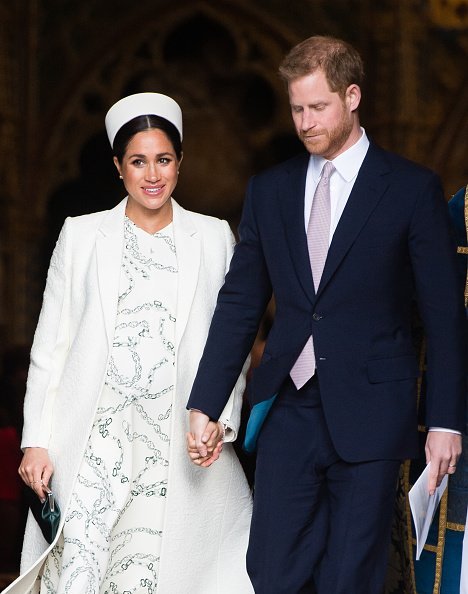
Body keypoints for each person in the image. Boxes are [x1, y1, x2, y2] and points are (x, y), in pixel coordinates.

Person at [187, 36, 467, 594]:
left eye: (319, 107)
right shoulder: (270, 190)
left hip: (373, 412)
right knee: (270, 569)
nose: (306, 122)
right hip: (289, 410)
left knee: (350, 578)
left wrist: (445, 422)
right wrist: (206, 401)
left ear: (352, 96)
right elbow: (240, 303)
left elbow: (443, 317)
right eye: (297, 109)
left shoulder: (411, 189)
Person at [6, 92, 253, 594]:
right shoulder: (81, 235)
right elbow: (50, 346)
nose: (152, 174)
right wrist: (36, 440)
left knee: (153, 578)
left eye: (163, 159)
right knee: (82, 575)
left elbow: (232, 343)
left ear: (180, 164)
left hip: (177, 446)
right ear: (119, 167)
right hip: (93, 444)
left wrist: (221, 418)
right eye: (138, 161)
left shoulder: (213, 238)